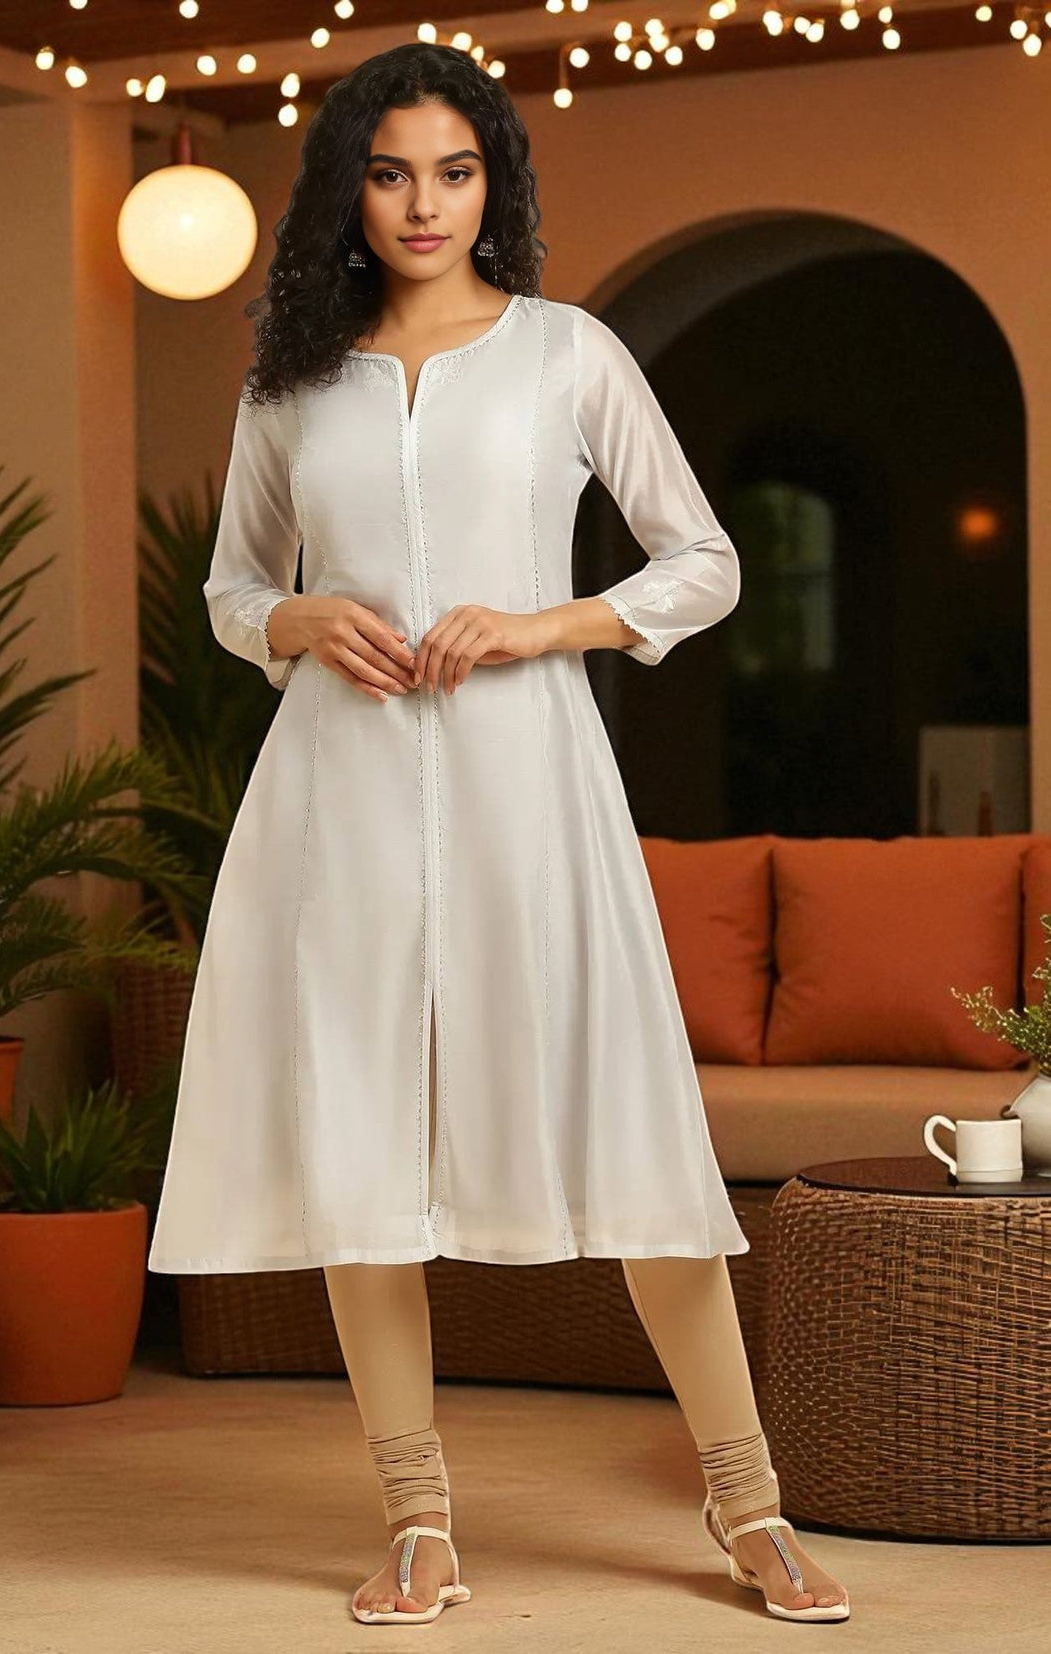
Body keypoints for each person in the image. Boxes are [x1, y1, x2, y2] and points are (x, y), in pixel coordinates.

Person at [147, 40, 850, 1627]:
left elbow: (706, 560)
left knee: (634, 1139)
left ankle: (749, 1502)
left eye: (455, 172)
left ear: (495, 186)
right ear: (348, 190)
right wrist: (297, 618)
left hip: (531, 792)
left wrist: (547, 622)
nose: (424, 204)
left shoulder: (565, 355)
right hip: (339, 799)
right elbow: (234, 589)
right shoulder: (290, 380)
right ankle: (417, 1518)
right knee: (362, 1149)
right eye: (392, 172)